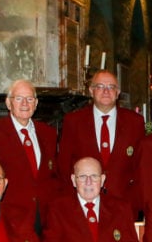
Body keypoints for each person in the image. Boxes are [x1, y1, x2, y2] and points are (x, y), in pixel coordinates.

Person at [0, 79, 61, 233]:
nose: (25, 103)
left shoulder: (48, 133)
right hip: (11, 216)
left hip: (45, 217)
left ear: (36, 104)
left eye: (29, 99)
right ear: (9, 103)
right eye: (19, 98)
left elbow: (54, 175)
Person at [57, 70, 146, 211]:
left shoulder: (135, 122)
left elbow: (141, 166)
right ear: (91, 91)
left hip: (124, 204)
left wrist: (135, 201)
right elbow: (64, 165)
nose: (106, 91)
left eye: (111, 87)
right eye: (100, 86)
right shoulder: (73, 121)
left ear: (118, 93)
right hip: (83, 203)